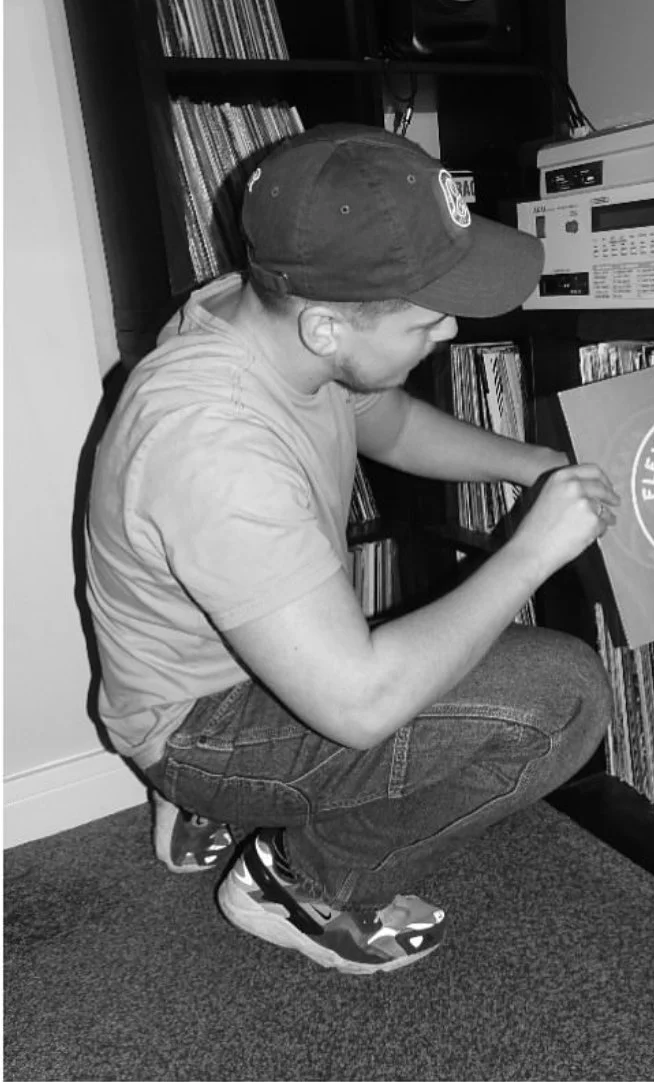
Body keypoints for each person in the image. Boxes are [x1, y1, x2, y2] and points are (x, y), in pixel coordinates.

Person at [85, 123, 619, 976]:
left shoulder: (254, 312)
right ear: (328, 326)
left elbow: (389, 420)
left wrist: (529, 465)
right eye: (424, 318)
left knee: (410, 654)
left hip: (224, 668)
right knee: (565, 697)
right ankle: (296, 882)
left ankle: (220, 803)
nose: (447, 329)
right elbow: (359, 706)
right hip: (200, 724)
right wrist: (530, 552)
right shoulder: (211, 445)